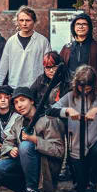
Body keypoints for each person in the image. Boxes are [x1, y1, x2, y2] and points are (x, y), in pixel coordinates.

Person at [0, 86, 64, 192]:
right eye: (16, 102)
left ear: (32, 101)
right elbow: (6, 143)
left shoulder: (48, 120)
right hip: (26, 166)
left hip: (45, 168)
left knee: (25, 146)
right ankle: (29, 190)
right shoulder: (19, 121)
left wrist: (35, 140)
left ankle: (33, 190)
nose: (19, 105)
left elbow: (59, 151)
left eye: (22, 100)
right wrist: (10, 150)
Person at [30, 51, 73, 181]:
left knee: (72, 144)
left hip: (67, 117)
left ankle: (71, 170)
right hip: (46, 118)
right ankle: (48, 172)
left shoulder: (70, 80)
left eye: (54, 67)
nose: (51, 70)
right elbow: (30, 95)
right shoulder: (41, 80)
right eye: (47, 67)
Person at [0, 6, 51, 88]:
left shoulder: (43, 41)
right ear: (17, 21)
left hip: (36, 88)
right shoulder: (11, 41)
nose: (24, 23)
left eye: (28, 20)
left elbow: (49, 65)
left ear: (34, 21)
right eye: (21, 20)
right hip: (14, 87)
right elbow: (3, 68)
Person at [60, 13, 97, 88]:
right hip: (70, 90)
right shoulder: (66, 48)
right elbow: (60, 71)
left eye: (84, 24)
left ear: (89, 27)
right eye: (78, 24)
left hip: (92, 90)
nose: (81, 27)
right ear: (73, 27)